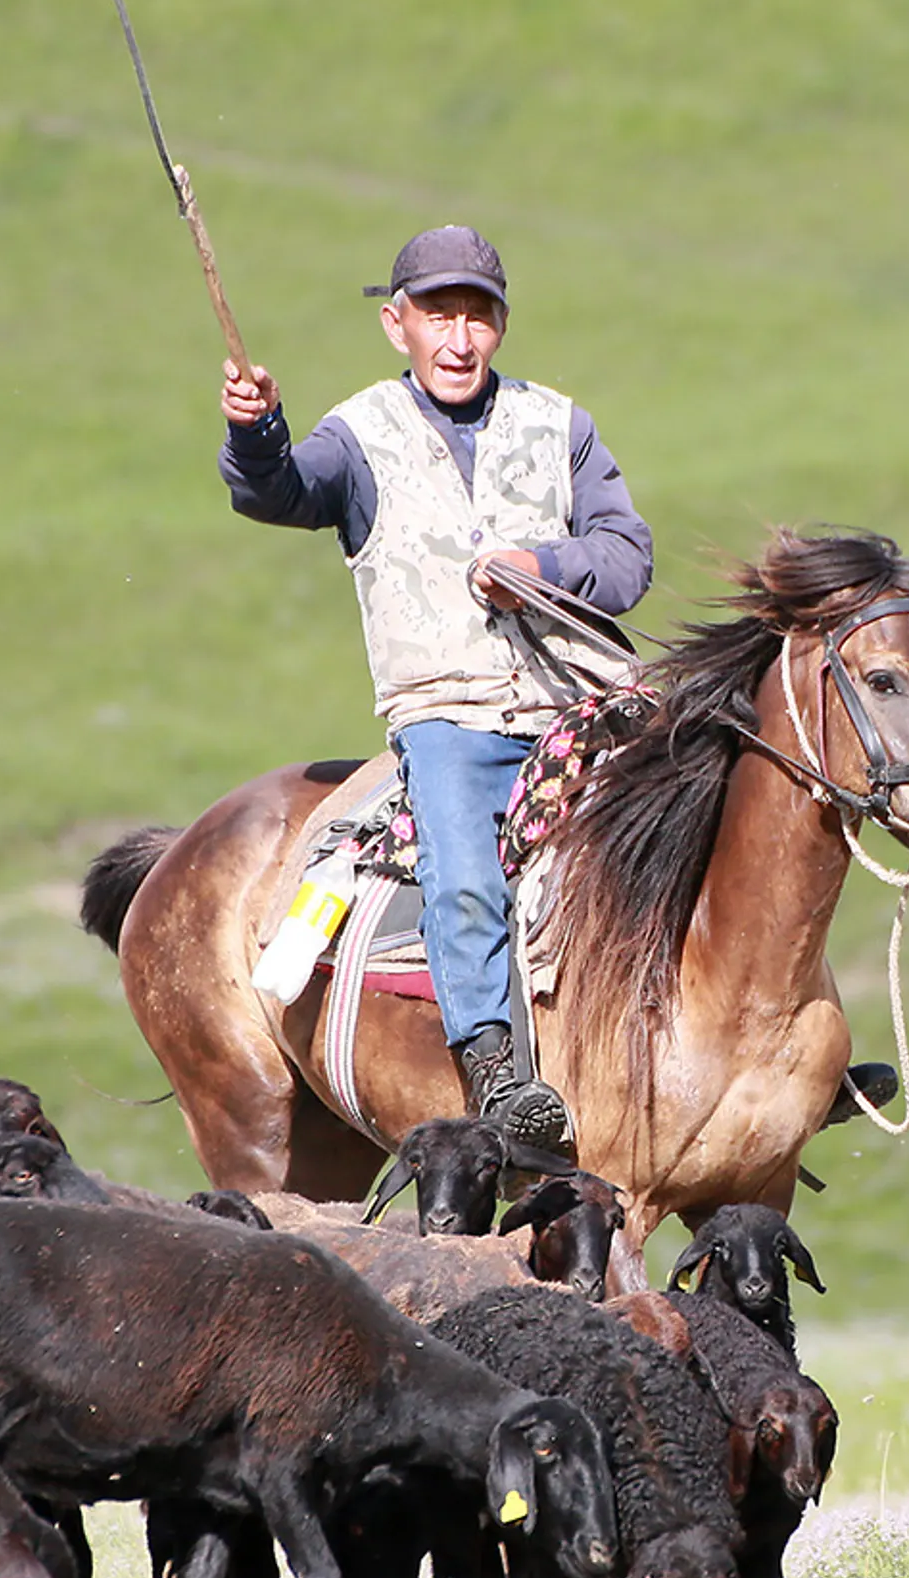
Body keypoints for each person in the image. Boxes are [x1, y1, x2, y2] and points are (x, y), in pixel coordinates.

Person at [218, 224, 653, 1153]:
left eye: (478, 316)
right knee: (465, 869)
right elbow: (280, 492)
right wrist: (256, 432)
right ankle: (497, 1072)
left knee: (724, 802)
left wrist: (539, 563)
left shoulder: (561, 426)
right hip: (448, 713)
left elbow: (627, 558)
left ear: (501, 326)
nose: (459, 339)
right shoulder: (359, 436)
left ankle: (764, 1043)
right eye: (438, 316)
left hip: (579, 703)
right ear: (396, 324)